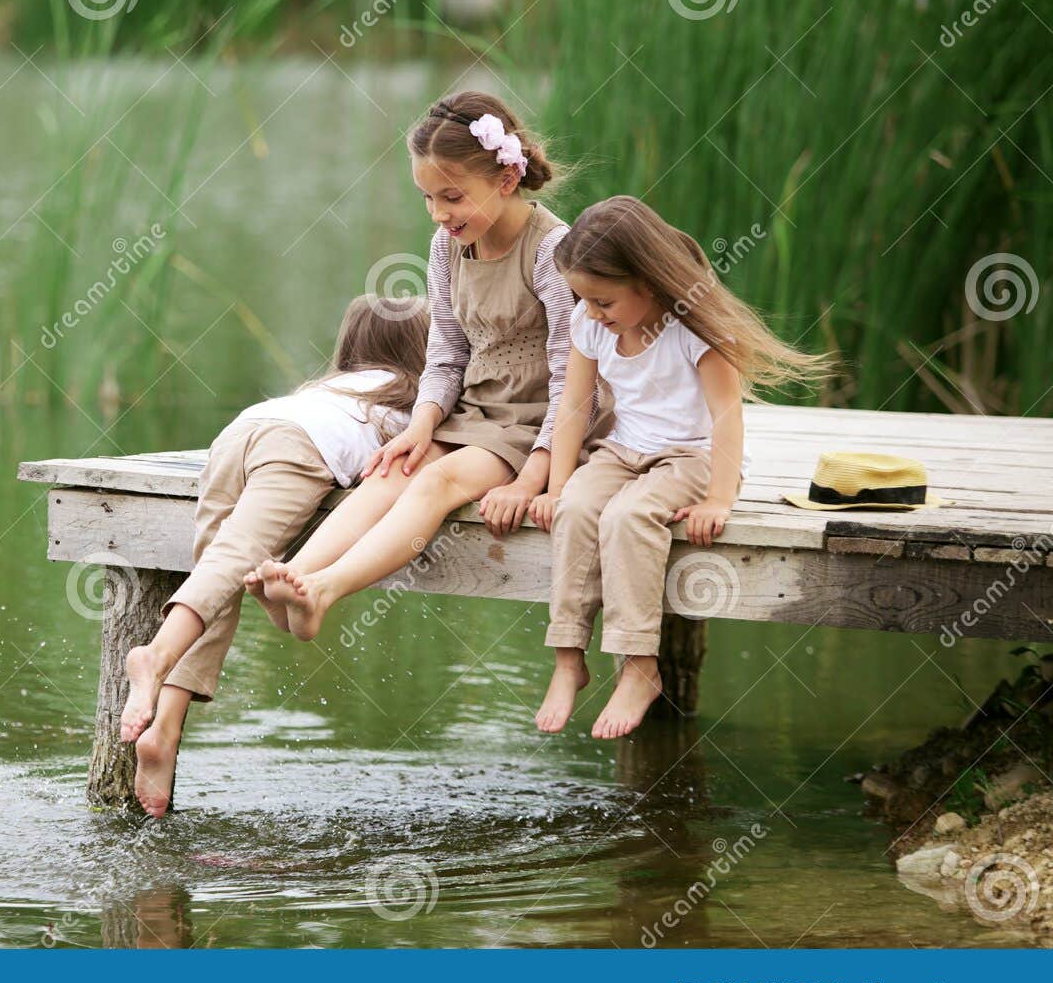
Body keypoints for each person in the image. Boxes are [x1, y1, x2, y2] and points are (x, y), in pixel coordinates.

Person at [258, 90, 611, 643]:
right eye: (427, 198)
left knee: (437, 482)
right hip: (477, 413)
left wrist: (533, 482)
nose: (440, 214)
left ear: (506, 179)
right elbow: (446, 354)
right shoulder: (447, 248)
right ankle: (297, 578)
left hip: (543, 422)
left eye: (452, 197)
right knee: (391, 471)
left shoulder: (550, 251)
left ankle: (325, 591)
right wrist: (421, 427)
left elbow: (575, 381)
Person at [529, 195, 831, 738]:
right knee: (576, 508)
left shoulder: (695, 330)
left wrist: (719, 498)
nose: (593, 312)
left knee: (627, 517)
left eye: (603, 300)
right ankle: (568, 658)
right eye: (584, 300)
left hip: (692, 456)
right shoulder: (590, 323)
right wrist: (555, 486)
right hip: (623, 450)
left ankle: (640, 665)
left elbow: (726, 418)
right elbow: (574, 408)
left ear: (646, 281)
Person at [121, 295, 431, 816]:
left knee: (215, 575)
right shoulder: (409, 409)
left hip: (239, 433)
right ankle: (154, 655)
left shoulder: (327, 389)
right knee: (232, 562)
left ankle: (165, 729)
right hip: (296, 448)